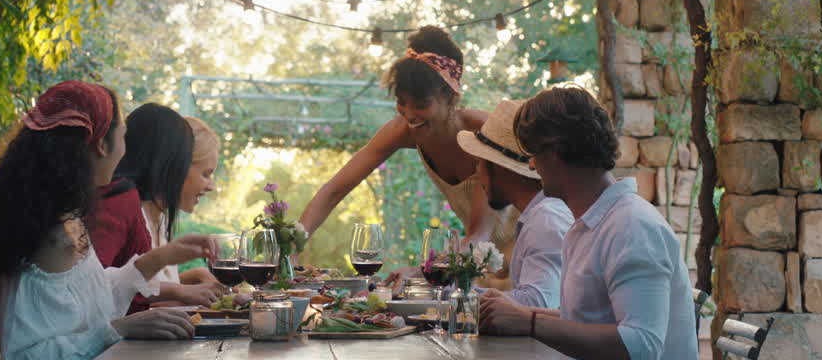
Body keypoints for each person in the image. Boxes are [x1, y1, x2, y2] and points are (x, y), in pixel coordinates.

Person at [0, 81, 217, 359]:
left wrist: (160, 257)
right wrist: (117, 329)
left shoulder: (59, 218)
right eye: (124, 137)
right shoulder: (51, 236)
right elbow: (28, 354)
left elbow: (91, 299)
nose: (125, 151)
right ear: (101, 144)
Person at [479, 86, 698, 360]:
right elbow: (584, 320)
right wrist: (519, 314)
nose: (532, 166)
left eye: (534, 154)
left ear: (555, 151)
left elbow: (641, 344)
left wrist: (529, 322)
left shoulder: (631, 226)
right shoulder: (591, 224)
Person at [299, 27, 519, 278]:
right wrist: (293, 245)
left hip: (533, 257)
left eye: (422, 104)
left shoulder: (483, 133)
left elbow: (480, 235)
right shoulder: (402, 130)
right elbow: (334, 189)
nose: (410, 115)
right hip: (480, 264)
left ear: (451, 96)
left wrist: (419, 272)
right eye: (401, 102)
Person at [91, 103, 223, 310]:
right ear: (171, 163)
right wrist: (180, 292)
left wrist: (191, 278)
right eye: (206, 173)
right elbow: (96, 290)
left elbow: (133, 282)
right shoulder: (122, 204)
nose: (212, 186)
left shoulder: (158, 216)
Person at [457, 99, 572, 313]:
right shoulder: (537, 215)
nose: (478, 174)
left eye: (480, 163)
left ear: (499, 167)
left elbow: (539, 302)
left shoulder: (546, 219)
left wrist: (461, 300)